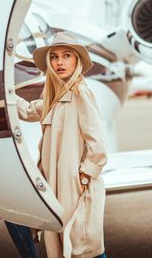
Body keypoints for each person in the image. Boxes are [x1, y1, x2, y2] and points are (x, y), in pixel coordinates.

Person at [14, 31, 108, 258]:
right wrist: (3, 93)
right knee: (63, 241)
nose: (59, 62)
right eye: (54, 57)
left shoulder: (81, 93)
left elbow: (98, 145)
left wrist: (84, 176)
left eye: (66, 56)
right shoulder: (53, 96)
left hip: (74, 184)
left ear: (76, 60)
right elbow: (28, 111)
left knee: (84, 246)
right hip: (53, 182)